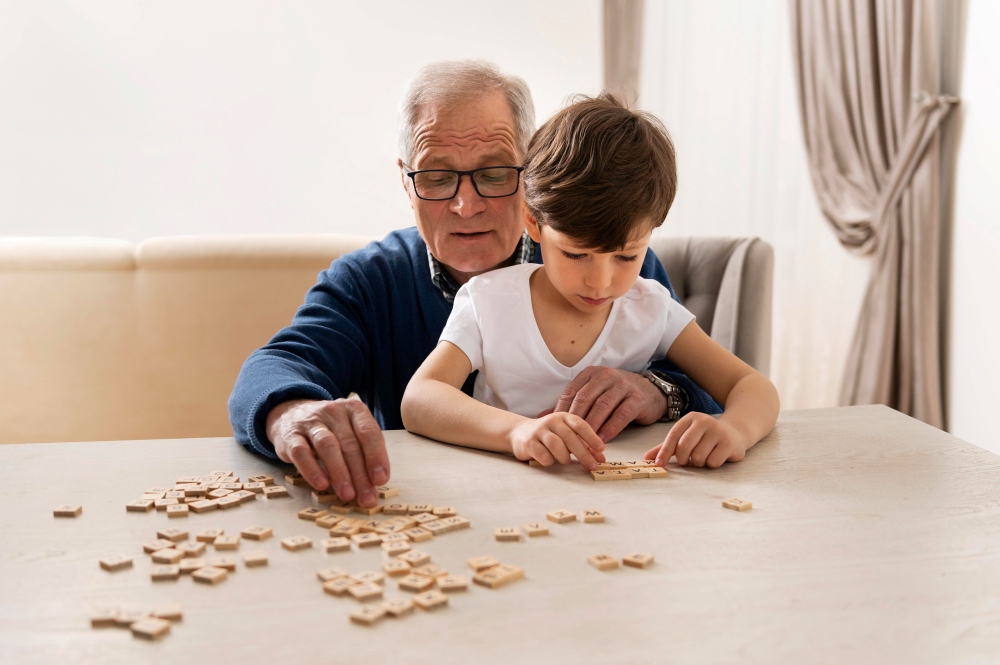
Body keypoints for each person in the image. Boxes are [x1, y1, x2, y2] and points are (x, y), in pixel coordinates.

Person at [228, 61, 721, 508]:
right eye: (438, 178)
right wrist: (291, 411)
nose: (467, 205)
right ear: (406, 182)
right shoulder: (369, 280)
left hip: (598, 517)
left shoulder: (613, 265)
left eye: (493, 173)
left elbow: (715, 388)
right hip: (423, 522)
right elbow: (276, 366)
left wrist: (658, 391)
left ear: (531, 175)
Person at [400, 94, 779, 469]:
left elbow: (752, 386)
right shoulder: (488, 302)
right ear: (532, 221)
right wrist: (517, 432)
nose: (600, 283)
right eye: (576, 255)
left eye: (628, 256)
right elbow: (421, 398)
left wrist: (734, 430)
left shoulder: (651, 306)